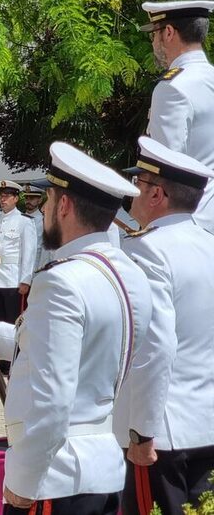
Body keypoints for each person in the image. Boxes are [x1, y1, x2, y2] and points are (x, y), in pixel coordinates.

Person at [0, 142, 152, 515]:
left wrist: (22, 483)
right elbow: (88, 352)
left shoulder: (61, 281)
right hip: (101, 468)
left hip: (56, 476)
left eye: (49, 199)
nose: (45, 208)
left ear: (64, 205)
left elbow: (53, 401)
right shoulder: (129, 274)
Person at [115, 136, 214, 515]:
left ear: (157, 194)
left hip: (162, 435)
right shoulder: (208, 244)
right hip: (205, 424)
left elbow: (153, 347)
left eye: (139, 186)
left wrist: (141, 432)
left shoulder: (146, 250)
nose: (133, 195)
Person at [140, 0, 214, 232]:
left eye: (154, 35)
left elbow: (164, 168)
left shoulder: (173, 87)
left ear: (169, 32)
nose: (153, 43)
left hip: (193, 222)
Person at [0, 180, 37, 374]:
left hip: (13, 280)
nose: (2, 200)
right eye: (1, 196)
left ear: (15, 198)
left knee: (13, 322)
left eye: (6, 197)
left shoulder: (24, 222)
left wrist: (26, 279)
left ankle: (14, 361)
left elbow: (28, 253)